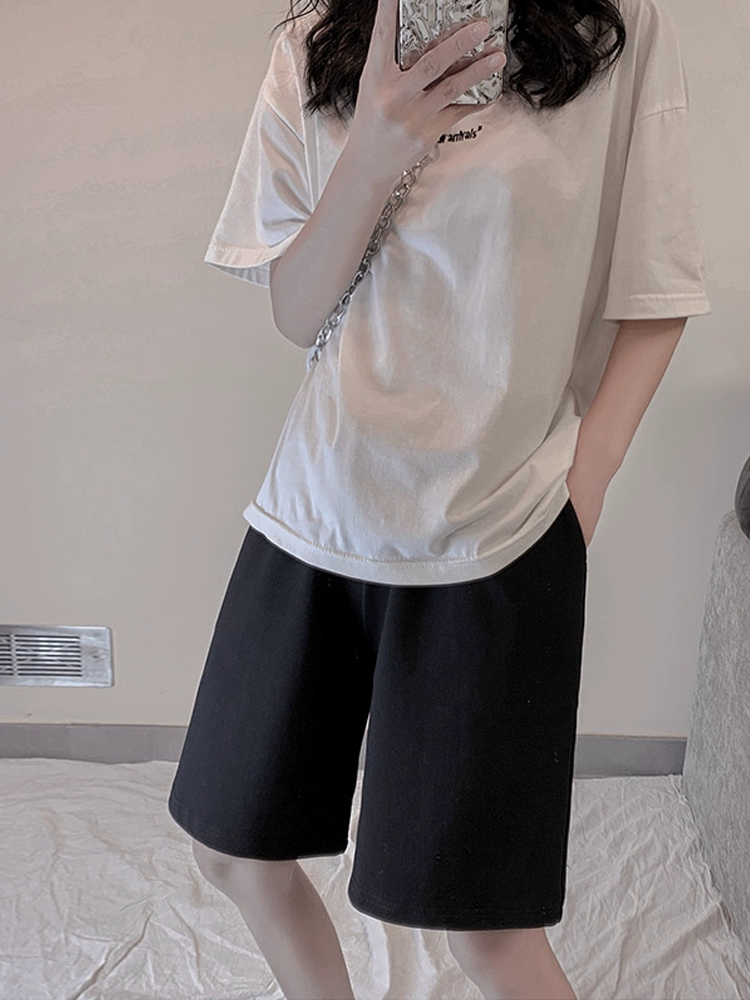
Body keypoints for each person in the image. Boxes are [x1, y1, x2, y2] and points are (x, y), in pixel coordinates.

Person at [167, 0, 712, 994]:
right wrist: (373, 152)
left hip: (499, 525)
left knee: (482, 931)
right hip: (316, 506)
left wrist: (584, 488)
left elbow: (658, 288)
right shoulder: (312, 44)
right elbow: (296, 312)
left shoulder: (616, 31)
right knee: (232, 851)